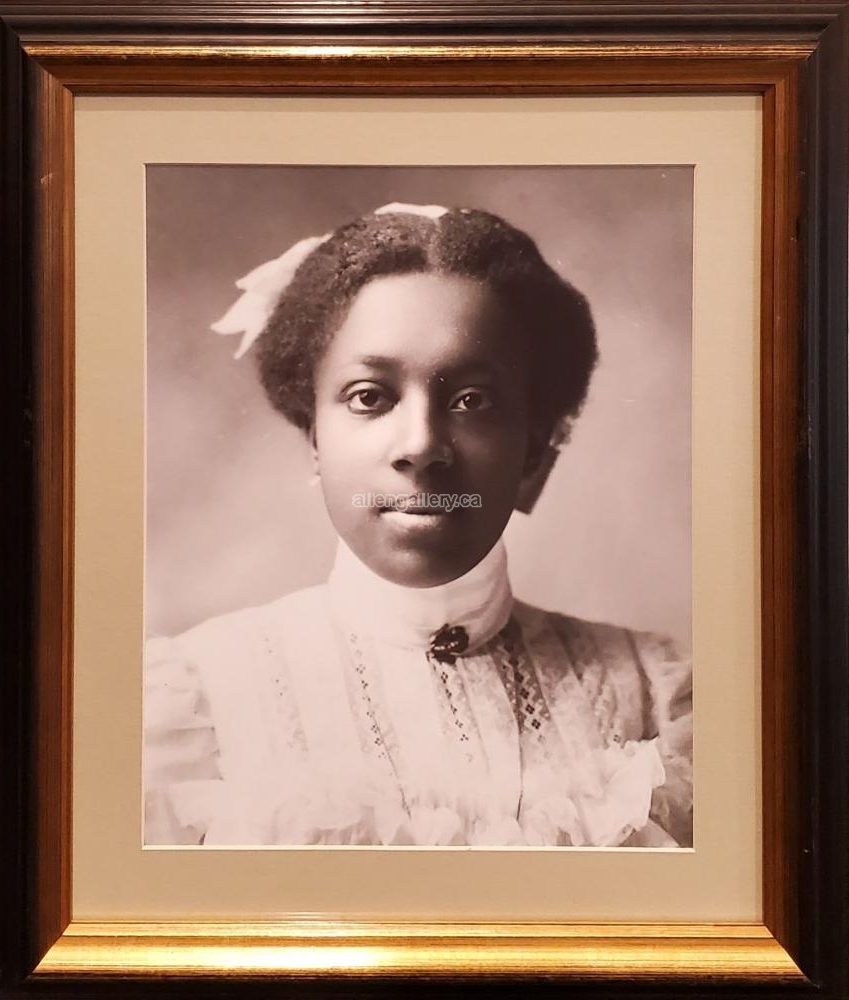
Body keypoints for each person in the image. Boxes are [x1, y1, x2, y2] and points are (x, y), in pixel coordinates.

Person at [144, 203, 692, 848]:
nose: (422, 445)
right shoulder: (198, 699)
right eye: (369, 397)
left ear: (534, 448)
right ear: (315, 438)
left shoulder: (659, 694)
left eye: (472, 401)